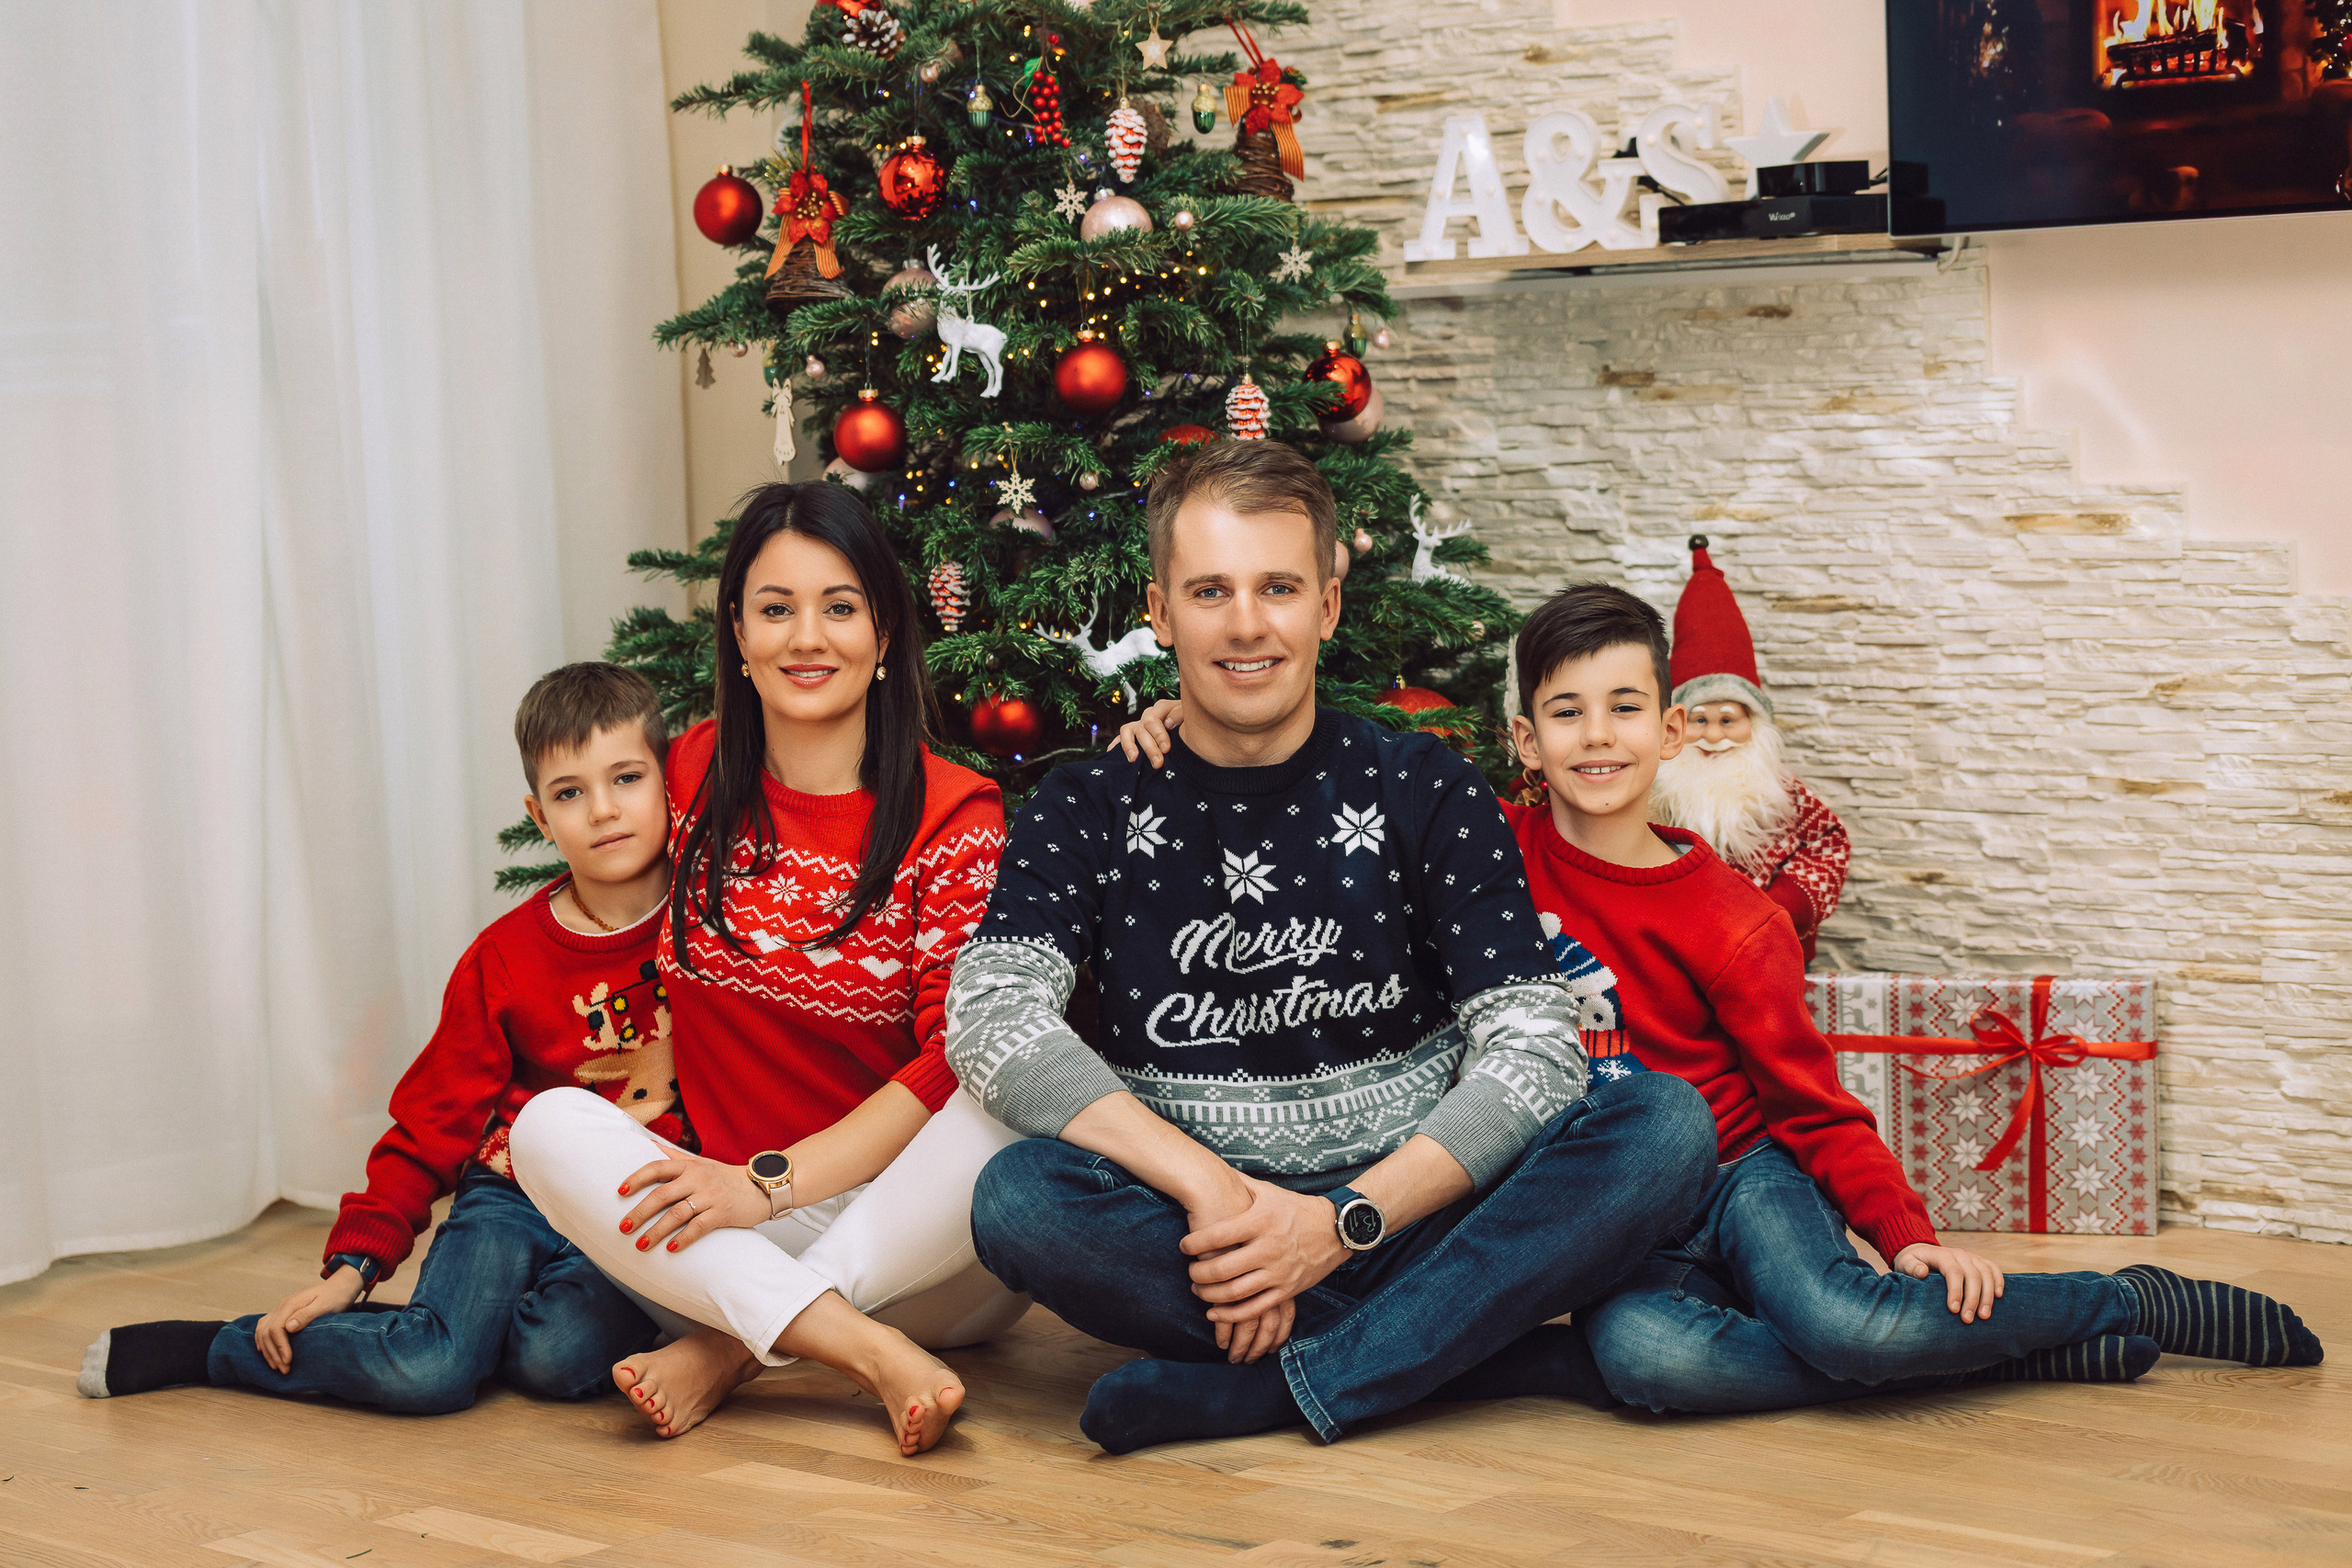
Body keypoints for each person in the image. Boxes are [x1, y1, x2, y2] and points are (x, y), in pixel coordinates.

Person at [948, 441, 1716, 1456]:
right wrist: (1221, 1194)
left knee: (1660, 1125)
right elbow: (989, 1014)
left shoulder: (1424, 787)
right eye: (1210, 591)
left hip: (1422, 1214)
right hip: (1208, 1237)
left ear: (1328, 607)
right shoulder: (1089, 803)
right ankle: (1468, 1352)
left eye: (1278, 587)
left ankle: (1288, 1383)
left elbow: (1535, 1049)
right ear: (1159, 611)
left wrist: (1339, 1223)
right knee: (1019, 1203)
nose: (1247, 623)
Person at [1498, 582, 2324, 1413]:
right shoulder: (1490, 859)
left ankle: (2121, 1299)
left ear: (1671, 730)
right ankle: (1983, 1356)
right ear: (1526, 739)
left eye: (1626, 707)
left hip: (1742, 1172)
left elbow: (1812, 1104)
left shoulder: (1737, 920)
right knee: (1649, 1358)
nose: (1598, 734)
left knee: (1848, 1326)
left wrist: (1907, 1236)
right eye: (1567, 712)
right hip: (1621, 1206)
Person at [507, 481, 1024, 1457]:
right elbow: (584, 902)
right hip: (725, 1234)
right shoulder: (686, 780)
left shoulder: (957, 815)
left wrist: (771, 1185)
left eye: (838, 607)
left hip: (920, 1245)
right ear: (737, 635)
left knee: (1003, 1093)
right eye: (775, 609)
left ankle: (730, 1351)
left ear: (882, 631)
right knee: (547, 1127)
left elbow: (950, 1063)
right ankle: (855, 1347)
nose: (806, 638)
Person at [79, 664, 686, 1413]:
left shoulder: (714, 928)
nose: (602, 810)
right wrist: (352, 1269)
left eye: (626, 778)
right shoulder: (503, 958)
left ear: (669, 782)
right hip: (513, 1197)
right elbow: (433, 1120)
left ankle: (464, 1329)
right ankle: (216, 1346)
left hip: (635, 1206)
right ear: (539, 816)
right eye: (570, 792)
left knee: (552, 1359)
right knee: (430, 1372)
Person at [1644, 536, 1849, 961]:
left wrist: (1785, 905)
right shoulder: (1654, 794)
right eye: (1700, 721)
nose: (1714, 737)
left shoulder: (1782, 795)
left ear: (1752, 725)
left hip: (1768, 944)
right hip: (1673, 945)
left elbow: (1828, 843)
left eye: (1727, 721)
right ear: (1676, 725)